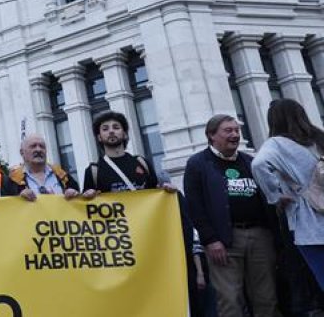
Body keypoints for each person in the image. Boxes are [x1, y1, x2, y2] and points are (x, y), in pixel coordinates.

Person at [185, 114, 279, 317]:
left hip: (260, 237)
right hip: (224, 241)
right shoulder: (197, 164)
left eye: (236, 130)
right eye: (228, 131)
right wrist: (210, 240)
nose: (235, 135)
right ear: (211, 135)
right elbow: (194, 206)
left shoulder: (250, 162)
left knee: (267, 297)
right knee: (229, 300)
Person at [253, 99, 324, 290]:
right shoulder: (318, 137)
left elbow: (258, 164)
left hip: (310, 223)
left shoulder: (276, 144)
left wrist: (275, 195)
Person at [82, 111, 176, 196]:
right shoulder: (93, 171)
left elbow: (156, 193)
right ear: (99, 137)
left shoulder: (142, 163)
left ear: (125, 134)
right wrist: (87, 195)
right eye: (105, 129)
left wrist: (167, 191)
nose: (111, 131)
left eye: (116, 127)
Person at [1, 134, 80, 200]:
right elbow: (6, 210)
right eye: (33, 146)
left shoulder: (64, 176)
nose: (38, 150)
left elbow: (80, 204)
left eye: (42, 146)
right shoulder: (11, 182)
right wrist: (18, 199)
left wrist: (75, 195)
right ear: (22, 152)